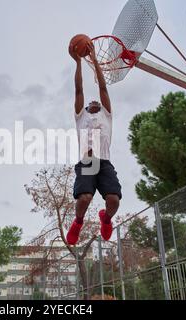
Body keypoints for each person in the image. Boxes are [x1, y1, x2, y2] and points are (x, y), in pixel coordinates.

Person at [66, 43, 122, 245]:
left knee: (114, 200)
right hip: (88, 161)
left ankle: (105, 219)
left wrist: (95, 60)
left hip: (104, 162)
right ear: (87, 108)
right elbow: (79, 88)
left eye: (96, 102)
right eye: (91, 102)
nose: (94, 102)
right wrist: (78, 62)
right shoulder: (81, 117)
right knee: (84, 198)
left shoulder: (106, 116)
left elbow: (102, 87)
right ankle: (78, 222)